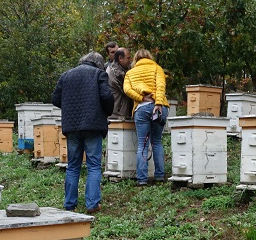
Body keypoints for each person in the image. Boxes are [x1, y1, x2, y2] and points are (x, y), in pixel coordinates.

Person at [51, 52, 114, 212]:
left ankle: (69, 204)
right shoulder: (99, 74)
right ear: (98, 64)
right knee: (93, 165)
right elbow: (107, 96)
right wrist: (105, 112)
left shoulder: (66, 75)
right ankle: (92, 204)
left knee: (73, 166)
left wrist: (71, 108)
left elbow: (55, 99)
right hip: (93, 125)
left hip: (72, 127)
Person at [123, 49, 169, 186]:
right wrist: (159, 103)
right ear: (149, 57)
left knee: (142, 144)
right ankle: (160, 176)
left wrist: (141, 98)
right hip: (158, 106)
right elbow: (161, 86)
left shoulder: (130, 73)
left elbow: (127, 90)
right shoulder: (157, 68)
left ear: (135, 59)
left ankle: (142, 179)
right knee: (157, 142)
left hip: (141, 108)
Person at [106, 47, 134, 119]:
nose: (130, 60)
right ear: (120, 58)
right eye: (128, 58)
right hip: (117, 114)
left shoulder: (123, 68)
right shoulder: (116, 73)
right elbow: (128, 90)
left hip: (120, 112)